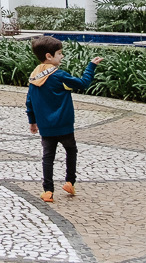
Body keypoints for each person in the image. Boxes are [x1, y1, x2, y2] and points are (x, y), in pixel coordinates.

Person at [27, 36, 103, 203]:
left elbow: (29, 101)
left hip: (46, 126)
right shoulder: (59, 75)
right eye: (59, 53)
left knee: (48, 157)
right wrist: (91, 66)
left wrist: (32, 121)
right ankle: (70, 182)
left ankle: (48, 191)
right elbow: (83, 83)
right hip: (64, 124)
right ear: (49, 56)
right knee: (71, 151)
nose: (62, 56)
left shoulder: (34, 76)